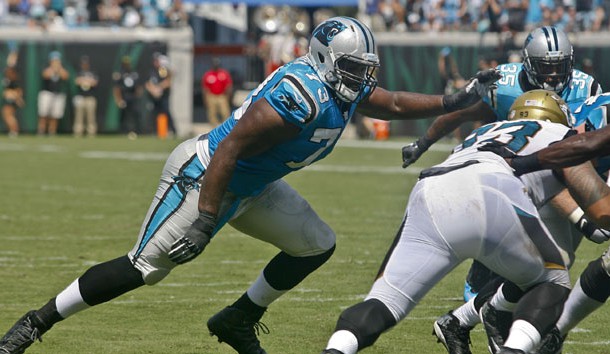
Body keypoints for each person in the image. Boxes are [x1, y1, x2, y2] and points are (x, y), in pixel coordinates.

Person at [0, 17, 500, 354]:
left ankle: (238, 317)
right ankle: (38, 321)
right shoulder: (299, 95)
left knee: (315, 245)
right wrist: (206, 219)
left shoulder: (337, 87)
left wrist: (451, 100)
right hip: (204, 176)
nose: (362, 79)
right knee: (145, 269)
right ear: (326, 61)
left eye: (364, 69)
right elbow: (230, 147)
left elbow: (389, 103)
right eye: (353, 68)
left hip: (253, 185)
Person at [321, 89, 610, 354]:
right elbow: (599, 210)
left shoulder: (486, 132)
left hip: (431, 188)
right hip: (492, 190)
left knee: (384, 302)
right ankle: (515, 348)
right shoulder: (561, 133)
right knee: (553, 281)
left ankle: (337, 348)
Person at [402, 25, 602, 306]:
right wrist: (423, 142)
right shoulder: (503, 83)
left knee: (558, 257)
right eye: (547, 67)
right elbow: (463, 111)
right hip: (510, 166)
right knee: (520, 240)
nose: (554, 75)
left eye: (560, 67)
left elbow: (593, 139)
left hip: (560, 170)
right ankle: (482, 289)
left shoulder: (585, 86)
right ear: (528, 64)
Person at [478, 93, 610, 354]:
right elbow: (576, 150)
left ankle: (469, 320)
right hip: (548, 173)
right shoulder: (581, 122)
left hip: (561, 166)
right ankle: (476, 317)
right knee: (550, 268)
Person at [37, 51, 69, 136]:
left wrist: (59, 68)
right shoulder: (46, 67)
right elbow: (45, 75)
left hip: (58, 94)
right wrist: (53, 69)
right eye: (54, 60)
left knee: (55, 115)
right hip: (47, 93)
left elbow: (65, 76)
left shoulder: (61, 69)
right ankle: (41, 131)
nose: (56, 62)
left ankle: (52, 131)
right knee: (43, 113)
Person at [145, 53, 176, 137]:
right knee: (154, 113)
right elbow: (148, 83)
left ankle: (172, 130)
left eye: (157, 61)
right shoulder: (151, 72)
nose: (156, 62)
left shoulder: (163, 70)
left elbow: (168, 81)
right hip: (154, 97)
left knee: (166, 112)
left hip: (164, 96)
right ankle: (154, 131)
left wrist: (159, 88)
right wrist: (153, 91)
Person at [113, 56, 142, 139]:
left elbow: (138, 86)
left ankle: (136, 130)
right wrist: (119, 99)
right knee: (123, 115)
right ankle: (123, 131)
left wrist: (137, 96)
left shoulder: (134, 73)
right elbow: (117, 88)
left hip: (132, 96)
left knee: (135, 114)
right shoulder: (120, 74)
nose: (127, 65)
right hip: (124, 96)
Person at [201, 57, 233, 128]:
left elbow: (228, 86)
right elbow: (205, 88)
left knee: (225, 113)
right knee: (212, 114)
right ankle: (214, 128)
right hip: (211, 96)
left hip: (222, 96)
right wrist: (205, 99)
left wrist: (229, 97)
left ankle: (226, 128)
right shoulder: (208, 74)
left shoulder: (224, 74)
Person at [72, 55, 99, 137]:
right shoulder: (79, 72)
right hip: (81, 97)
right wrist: (87, 81)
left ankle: (91, 133)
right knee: (79, 116)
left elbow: (94, 83)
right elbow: (77, 81)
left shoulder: (93, 73)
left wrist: (85, 80)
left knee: (91, 116)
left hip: (90, 97)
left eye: (86, 63)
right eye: (83, 63)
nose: (85, 65)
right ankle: (78, 132)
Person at [1, 65, 24, 138]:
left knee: (9, 116)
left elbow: (19, 92)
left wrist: (18, 99)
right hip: (9, 100)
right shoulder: (8, 80)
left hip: (11, 101)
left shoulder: (14, 81)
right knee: (7, 116)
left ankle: (14, 131)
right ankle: (13, 131)